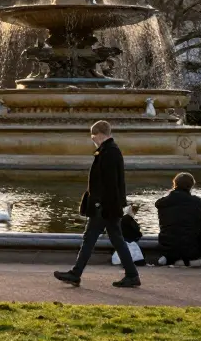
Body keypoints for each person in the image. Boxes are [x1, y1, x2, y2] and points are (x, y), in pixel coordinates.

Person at [54, 120, 140, 288]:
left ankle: (76, 274)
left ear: (99, 134)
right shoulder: (111, 150)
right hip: (110, 206)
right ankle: (131, 275)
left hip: (104, 207)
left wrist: (99, 204)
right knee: (115, 240)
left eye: (93, 136)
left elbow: (107, 183)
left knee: (90, 239)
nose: (93, 140)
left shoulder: (108, 152)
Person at [154, 172, 201, 267]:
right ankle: (198, 260)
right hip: (191, 247)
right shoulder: (197, 202)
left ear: (174, 184)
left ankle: (169, 257)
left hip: (167, 245)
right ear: (191, 186)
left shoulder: (163, 203)